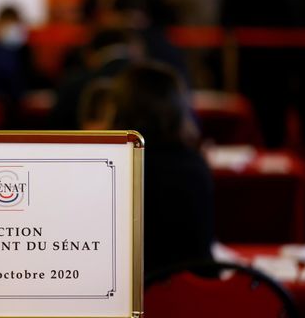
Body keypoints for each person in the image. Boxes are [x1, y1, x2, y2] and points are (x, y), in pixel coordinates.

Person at [80, 63, 214, 275]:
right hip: (189, 297)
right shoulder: (194, 166)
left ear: (117, 109)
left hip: (124, 297)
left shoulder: (108, 168)